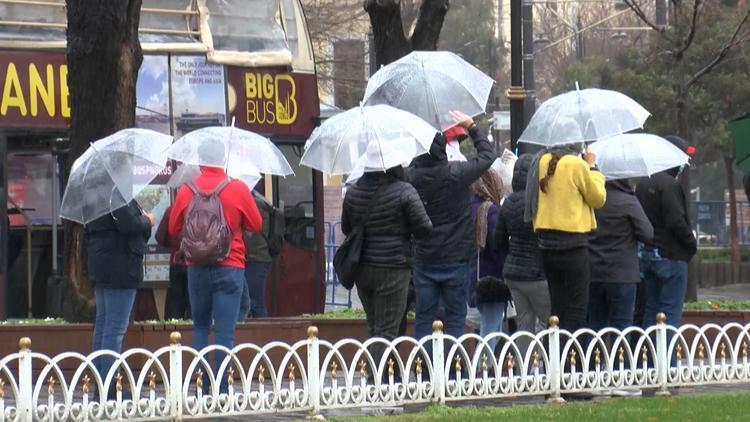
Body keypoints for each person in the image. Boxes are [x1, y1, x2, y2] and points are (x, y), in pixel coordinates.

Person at [169, 140, 262, 389]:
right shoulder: (238, 188)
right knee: (224, 332)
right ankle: (220, 390)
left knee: (199, 327)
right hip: (231, 266)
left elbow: (173, 228)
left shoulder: (187, 190)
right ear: (224, 161)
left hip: (196, 267)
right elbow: (257, 224)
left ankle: (200, 385)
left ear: (200, 161)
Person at [342, 141, 432, 371]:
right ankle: (380, 384)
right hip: (393, 267)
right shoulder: (404, 190)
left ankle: (377, 377)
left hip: (362, 268)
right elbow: (425, 227)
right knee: (387, 330)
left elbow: (346, 228)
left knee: (374, 326)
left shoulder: (353, 192)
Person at [408, 111, 496, 341]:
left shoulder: (411, 177)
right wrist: (473, 127)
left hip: (424, 258)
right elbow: (488, 156)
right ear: (443, 150)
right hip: (456, 258)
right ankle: (452, 371)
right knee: (456, 317)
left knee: (425, 318)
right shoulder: (457, 173)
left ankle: (425, 371)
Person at [525, 142, 606, 332]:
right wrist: (592, 167)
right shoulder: (575, 164)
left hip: (546, 246)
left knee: (557, 309)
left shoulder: (541, 160)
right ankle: (571, 359)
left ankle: (554, 355)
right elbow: (598, 198)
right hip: (574, 247)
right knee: (577, 309)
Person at [87, 199, 154, 379]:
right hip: (121, 266)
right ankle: (109, 386)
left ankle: (99, 383)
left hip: (101, 264)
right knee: (114, 329)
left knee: (103, 325)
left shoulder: (94, 195)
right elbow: (127, 224)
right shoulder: (115, 194)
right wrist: (148, 220)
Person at [636, 135, 697, 328]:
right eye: (683, 157)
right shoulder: (670, 185)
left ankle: (648, 357)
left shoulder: (643, 183)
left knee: (650, 312)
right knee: (670, 316)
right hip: (671, 256)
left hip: (647, 257)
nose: (685, 163)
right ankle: (667, 358)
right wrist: (691, 243)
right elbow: (676, 220)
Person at [495, 154, 550, 341]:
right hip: (539, 273)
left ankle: (523, 368)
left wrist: (509, 258)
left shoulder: (508, 203)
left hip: (514, 275)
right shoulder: (541, 202)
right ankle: (546, 366)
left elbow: (498, 240)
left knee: (524, 325)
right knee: (547, 323)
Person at [588, 179, 653, 331]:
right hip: (623, 275)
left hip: (593, 272)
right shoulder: (629, 202)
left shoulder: (592, 201)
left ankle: (593, 355)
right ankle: (619, 355)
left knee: (594, 327)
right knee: (622, 328)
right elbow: (648, 233)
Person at [467, 168, 507, 358]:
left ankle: (484, 372)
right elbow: (497, 245)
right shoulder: (490, 210)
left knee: (486, 328)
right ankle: (482, 374)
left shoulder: (469, 206)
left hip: (474, 276)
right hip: (491, 279)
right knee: (491, 330)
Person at [238, 190, 275, 320]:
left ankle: (262, 334)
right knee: (253, 301)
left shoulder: (255, 204)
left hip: (257, 257)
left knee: (255, 302)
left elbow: (252, 233)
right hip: (258, 257)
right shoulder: (261, 201)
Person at [156, 205, 190, 319]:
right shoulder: (203, 208)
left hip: (176, 261)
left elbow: (160, 237)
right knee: (194, 305)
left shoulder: (172, 209)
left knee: (174, 304)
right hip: (196, 264)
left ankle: (171, 334)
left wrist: (174, 246)